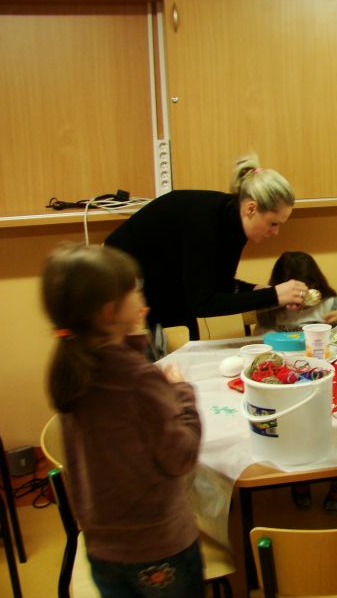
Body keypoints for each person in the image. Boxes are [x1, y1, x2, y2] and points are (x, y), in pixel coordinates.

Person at [41, 243, 203, 597]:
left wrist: (130, 335)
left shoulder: (74, 371)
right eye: (136, 289)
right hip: (159, 546)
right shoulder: (139, 380)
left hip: (103, 549)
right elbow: (182, 456)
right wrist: (182, 392)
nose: (142, 295)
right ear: (110, 311)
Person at [105, 153, 308, 342]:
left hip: (166, 273)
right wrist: (274, 296)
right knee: (171, 343)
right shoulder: (205, 222)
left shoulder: (234, 223)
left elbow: (221, 285)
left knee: (185, 340)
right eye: (273, 223)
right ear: (251, 208)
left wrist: (260, 291)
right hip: (123, 268)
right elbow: (202, 303)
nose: (275, 232)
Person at [255, 250, 337, 511]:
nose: (300, 300)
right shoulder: (271, 308)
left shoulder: (329, 302)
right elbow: (261, 338)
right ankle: (300, 480)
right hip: (287, 374)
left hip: (325, 370)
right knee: (295, 424)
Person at [256, 251, 337, 332]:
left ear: (314, 283)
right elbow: (263, 336)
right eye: (291, 291)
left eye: (304, 289)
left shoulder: (330, 303)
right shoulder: (270, 307)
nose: (298, 296)